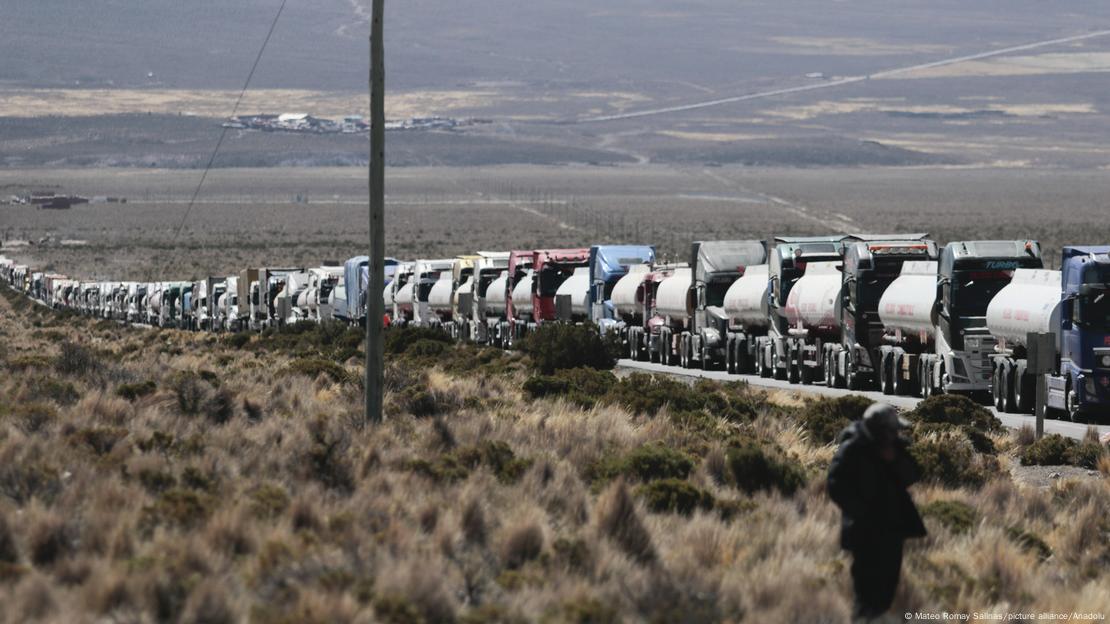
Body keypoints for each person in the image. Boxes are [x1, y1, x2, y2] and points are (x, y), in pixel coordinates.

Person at [827, 403, 926, 621]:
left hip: (892, 532)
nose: (896, 435)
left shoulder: (893, 448)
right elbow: (835, 485)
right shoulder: (853, 449)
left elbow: (913, 475)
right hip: (865, 533)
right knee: (866, 593)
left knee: (886, 591)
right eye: (892, 431)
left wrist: (895, 459)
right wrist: (861, 512)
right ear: (880, 430)